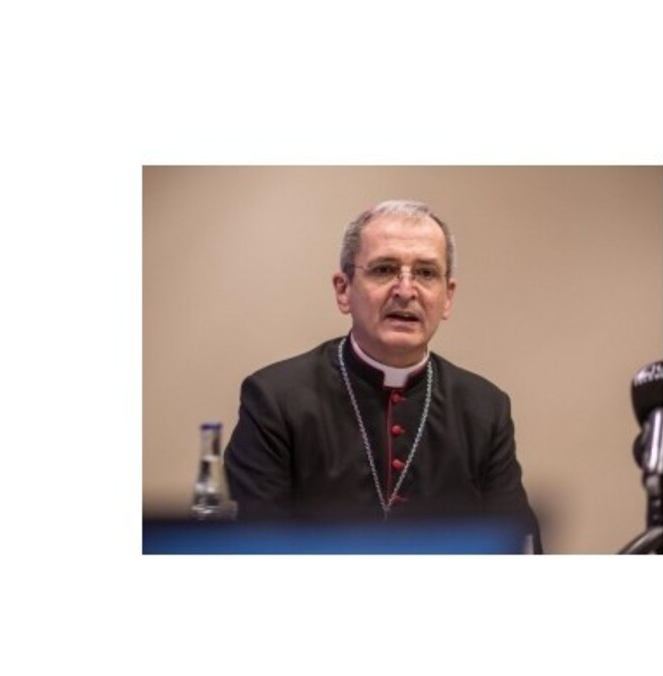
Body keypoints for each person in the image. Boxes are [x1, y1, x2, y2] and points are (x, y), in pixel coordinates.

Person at [223, 200, 541, 551]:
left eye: (426, 273)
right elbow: (257, 550)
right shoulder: (276, 400)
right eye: (385, 269)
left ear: (447, 298)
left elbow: (517, 546)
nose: (405, 291)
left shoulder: (484, 409)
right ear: (343, 290)